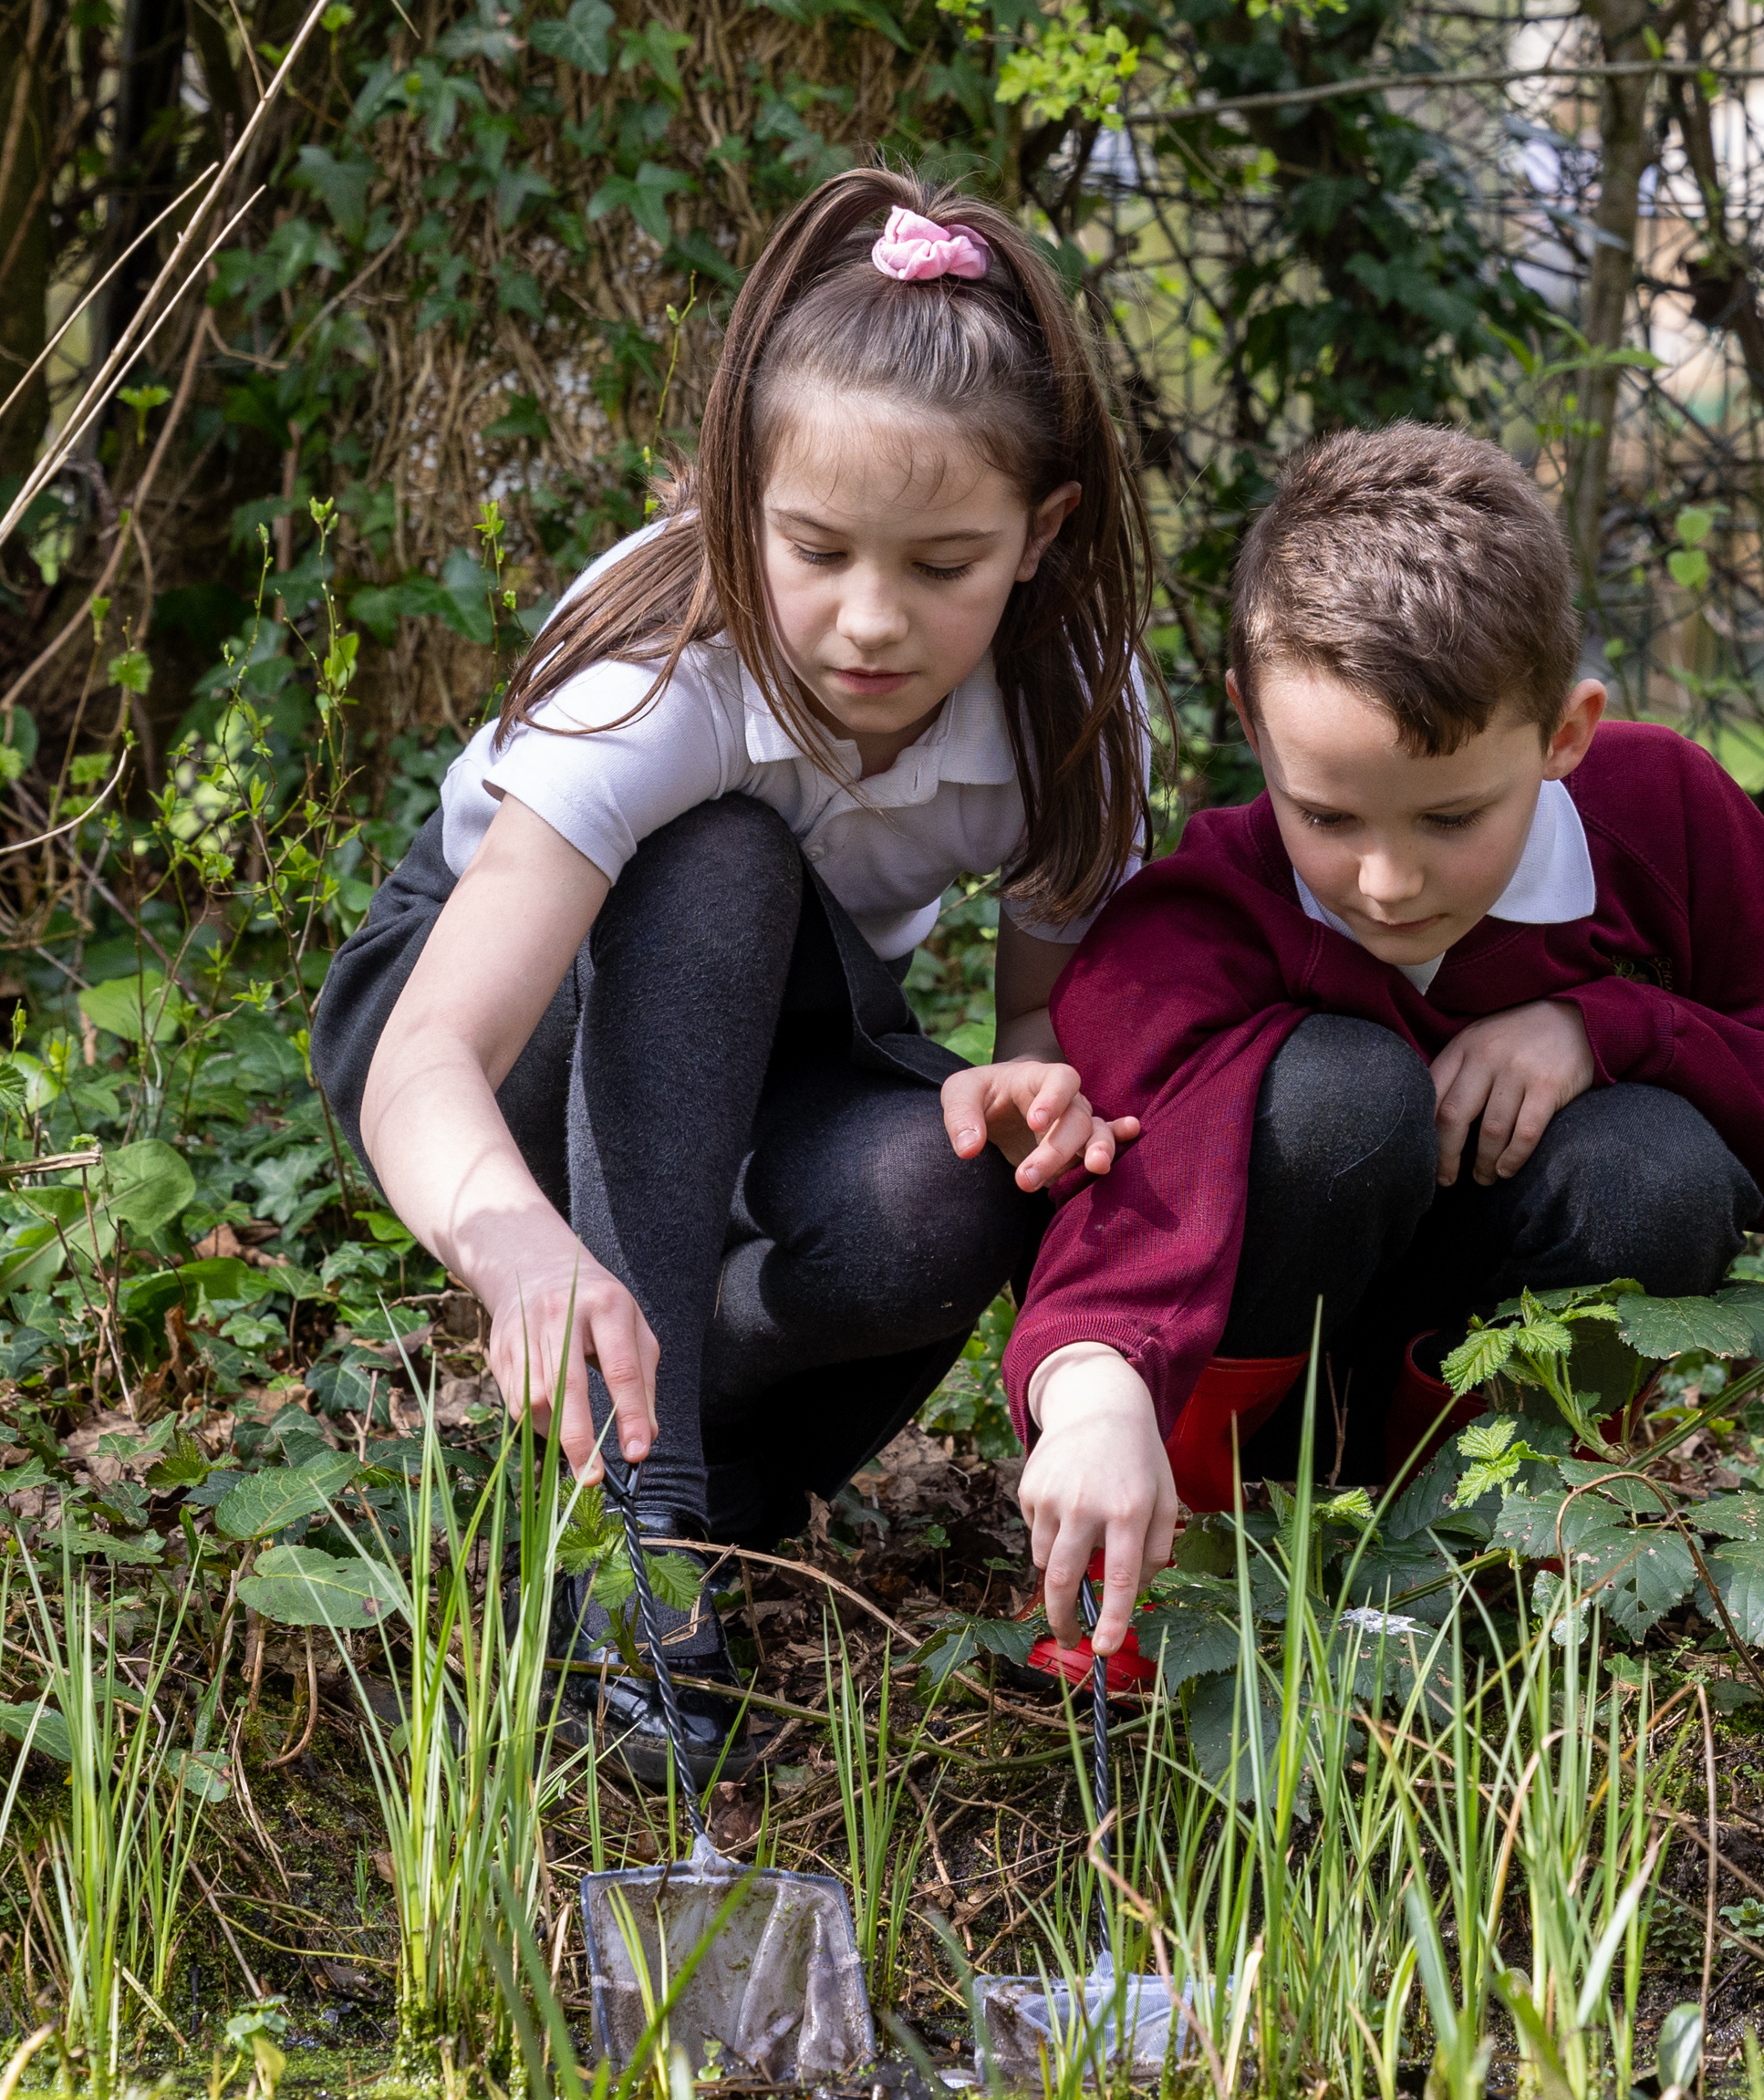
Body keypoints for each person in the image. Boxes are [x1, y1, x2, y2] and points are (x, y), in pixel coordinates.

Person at [313, 170, 1156, 1785]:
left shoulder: (1072, 707)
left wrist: (1022, 1087)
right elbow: (424, 1055)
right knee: (718, 859)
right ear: (736, 494)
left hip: (783, 1042)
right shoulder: (665, 676)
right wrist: (517, 1254)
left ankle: (700, 1479)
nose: (869, 621)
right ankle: (640, 1528)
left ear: (1042, 536)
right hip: (500, 1029)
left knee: (966, 1183)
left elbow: (1048, 1037)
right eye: (816, 549)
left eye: (943, 565)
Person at [1005, 424, 1764, 1664]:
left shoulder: (1662, 820)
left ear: (1565, 734)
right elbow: (1123, 1190)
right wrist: (1098, 1390)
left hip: (1482, 1365)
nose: (1388, 877)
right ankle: (1176, 1564)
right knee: (1343, 1096)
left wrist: (1611, 1024)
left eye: (1455, 814)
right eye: (1329, 814)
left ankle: (1506, 1560)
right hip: (1262, 1379)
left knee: (1655, 1169)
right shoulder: (1203, 916)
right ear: (1254, 726)